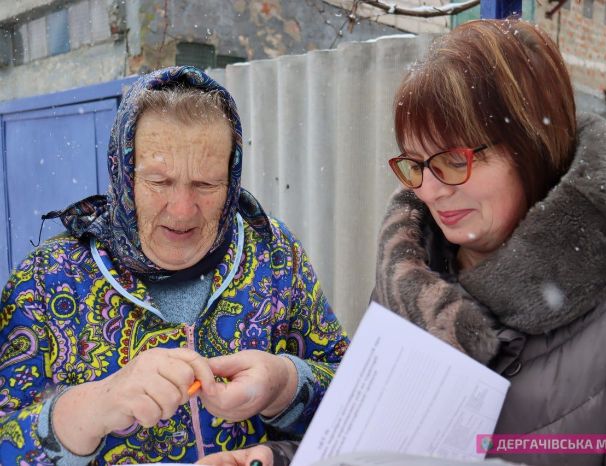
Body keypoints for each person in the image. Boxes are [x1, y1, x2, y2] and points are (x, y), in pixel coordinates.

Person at [372, 19, 606, 466]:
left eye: (453, 160)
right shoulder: (409, 277)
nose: (430, 191)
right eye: (414, 164)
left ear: (533, 146)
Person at [0, 66, 348, 465]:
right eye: (159, 182)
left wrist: (284, 386)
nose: (182, 210)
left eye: (206, 184)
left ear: (232, 178)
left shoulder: (274, 255)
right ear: (123, 174)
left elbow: (355, 401)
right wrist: (90, 408)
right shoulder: (46, 280)